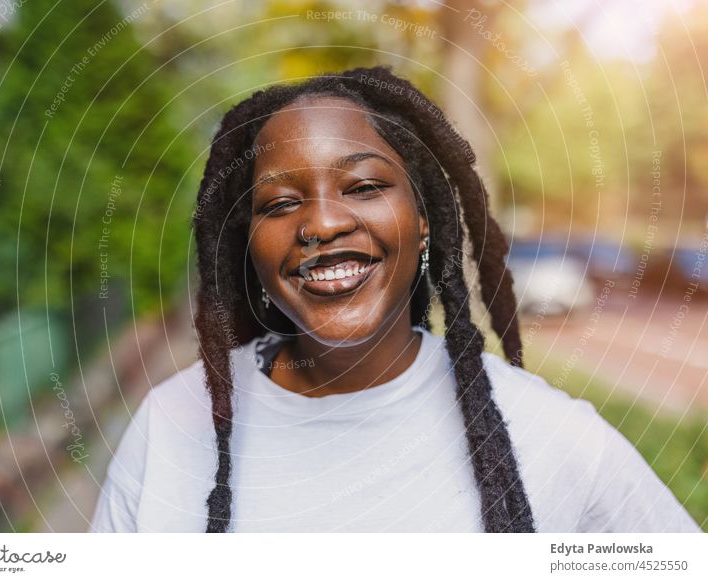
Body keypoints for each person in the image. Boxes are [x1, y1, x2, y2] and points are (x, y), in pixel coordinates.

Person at [89, 65, 701, 533]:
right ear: (248, 245)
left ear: (425, 217)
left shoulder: (554, 439)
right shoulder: (171, 427)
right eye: (279, 204)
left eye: (363, 186)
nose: (323, 223)